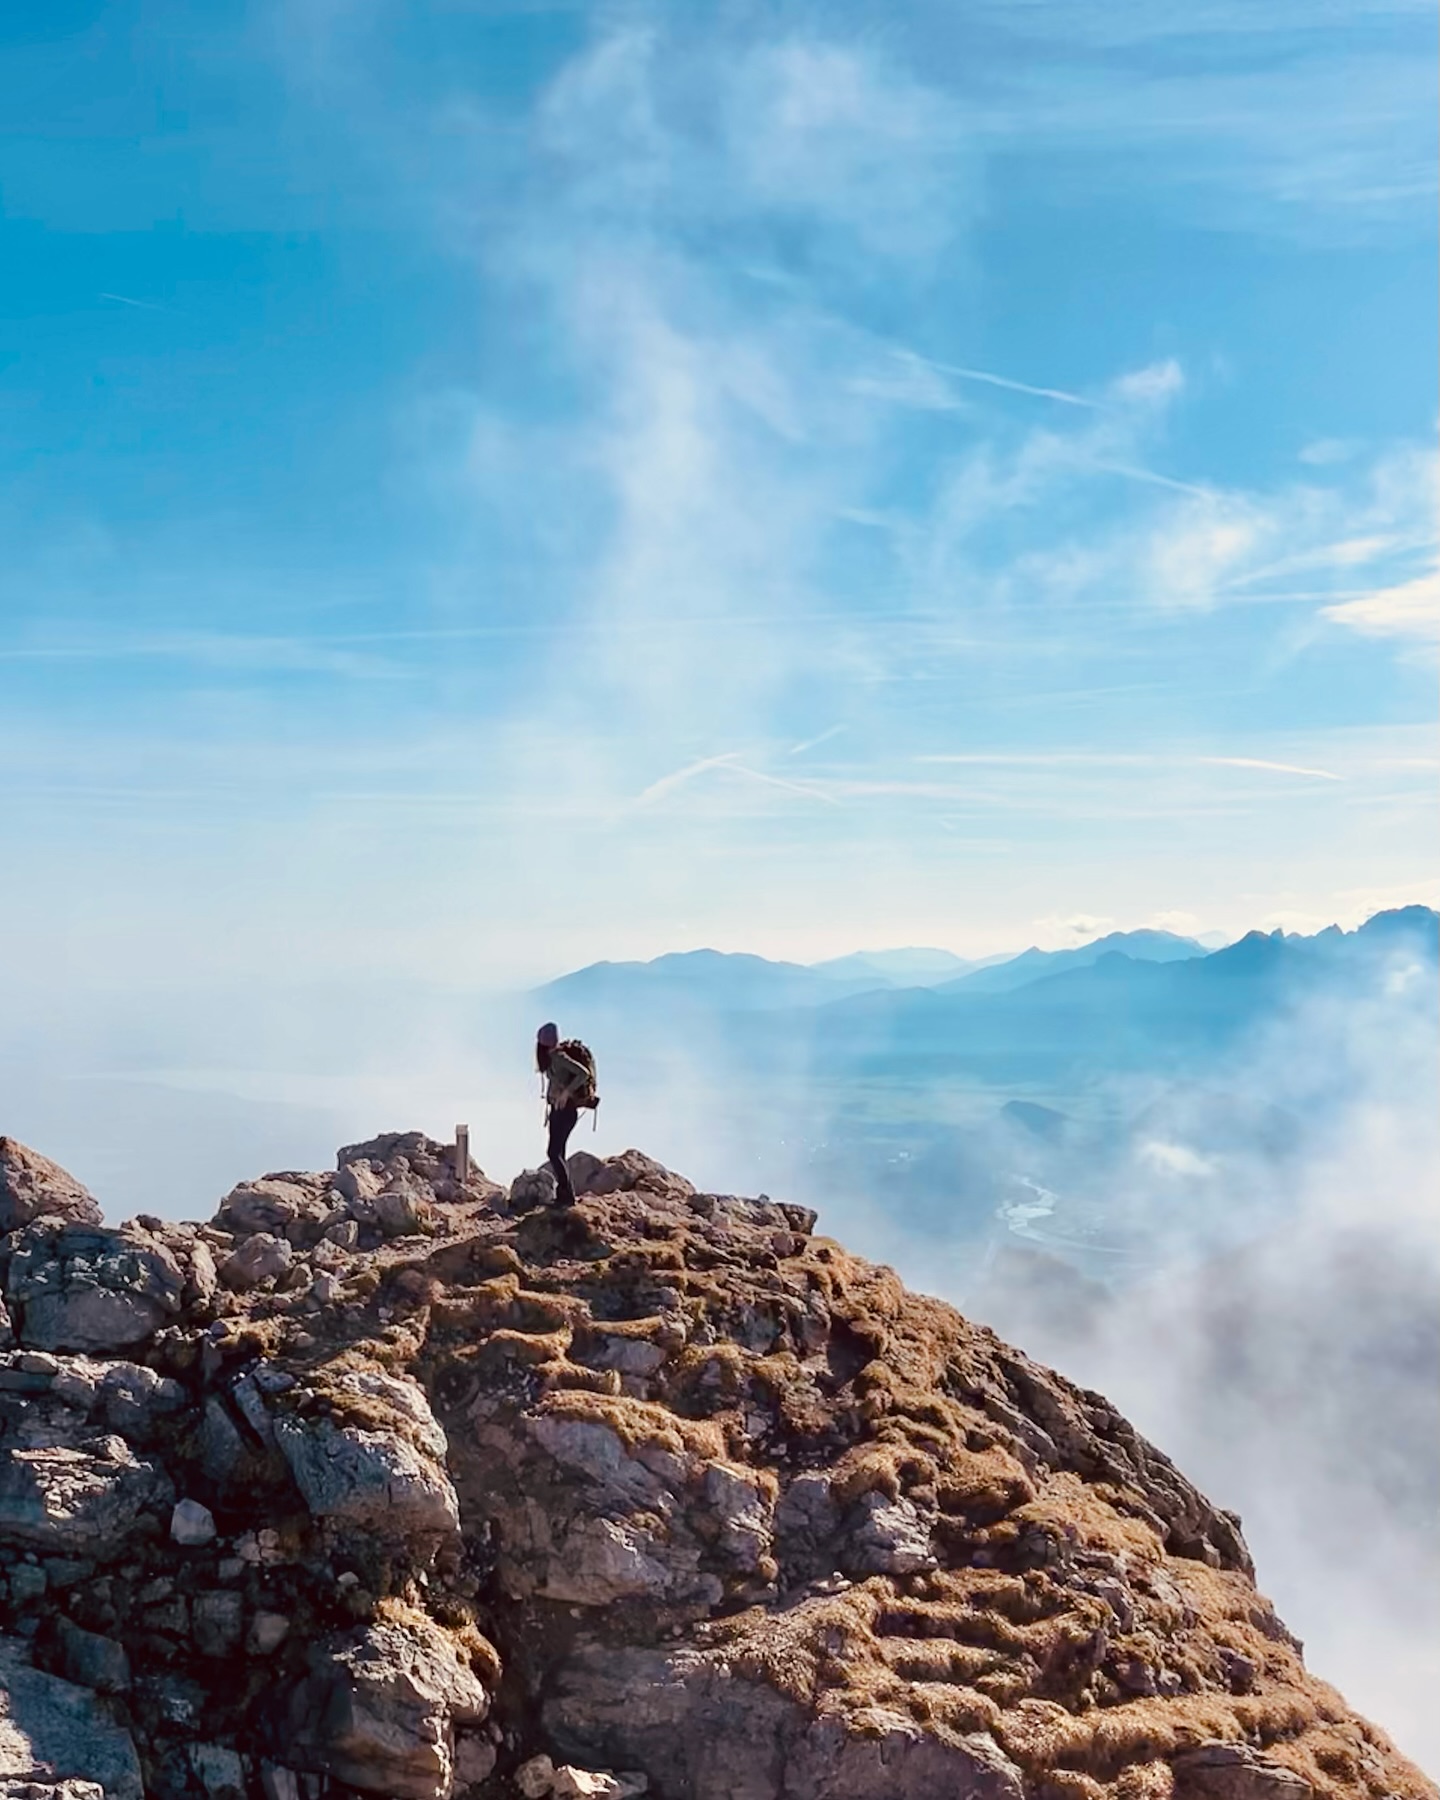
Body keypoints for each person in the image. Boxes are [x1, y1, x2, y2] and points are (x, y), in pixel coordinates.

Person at [535, 1022, 598, 1208]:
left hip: (566, 1111)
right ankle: (562, 1196)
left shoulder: (559, 1057)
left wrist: (566, 1092)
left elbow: (583, 1074)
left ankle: (567, 1196)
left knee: (553, 1152)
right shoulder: (552, 1058)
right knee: (559, 1152)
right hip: (557, 1110)